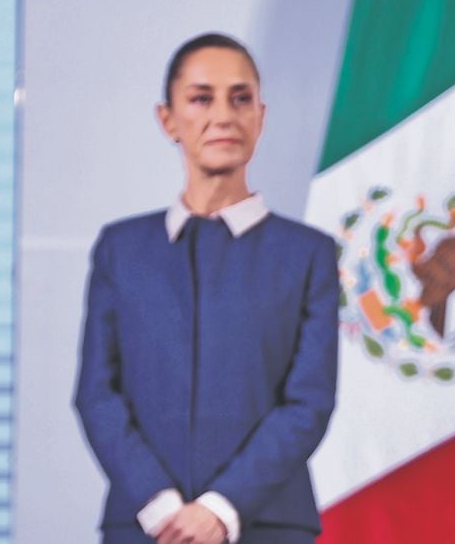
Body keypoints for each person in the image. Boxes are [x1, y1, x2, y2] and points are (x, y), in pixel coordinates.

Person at [75, 33, 340, 543]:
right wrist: (161, 506)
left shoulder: (306, 254)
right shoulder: (121, 249)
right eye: (201, 98)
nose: (223, 115)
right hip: (145, 526)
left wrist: (221, 509)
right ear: (167, 119)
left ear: (260, 117)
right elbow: (97, 393)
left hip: (268, 525)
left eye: (240, 98)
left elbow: (308, 401)